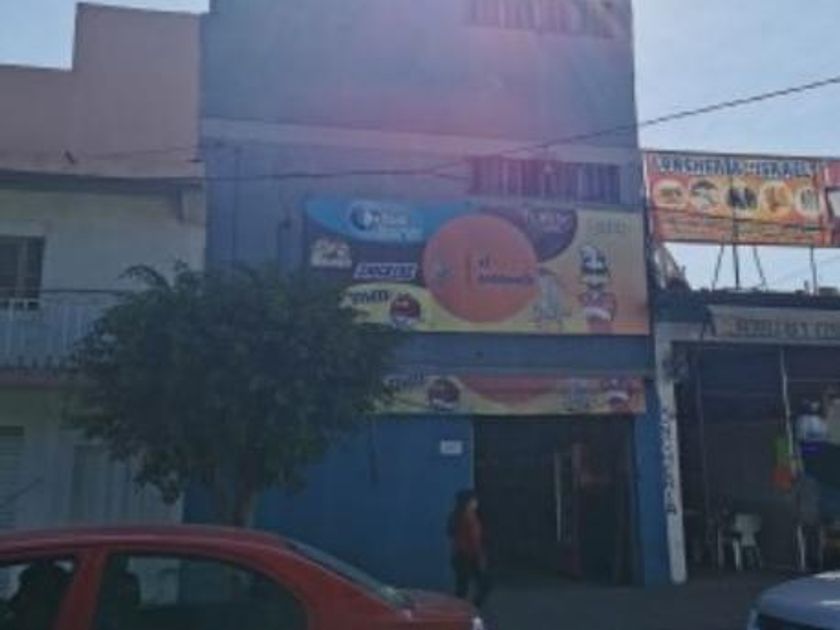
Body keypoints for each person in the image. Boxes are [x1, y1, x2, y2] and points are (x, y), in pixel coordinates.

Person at [446, 489, 490, 607]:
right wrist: (481, 558)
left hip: (458, 555)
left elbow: (450, 534)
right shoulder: (470, 517)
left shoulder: (455, 516)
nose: (476, 503)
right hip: (470, 555)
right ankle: (472, 607)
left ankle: (460, 608)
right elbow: (474, 540)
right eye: (474, 500)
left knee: (462, 586)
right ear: (468, 502)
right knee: (484, 583)